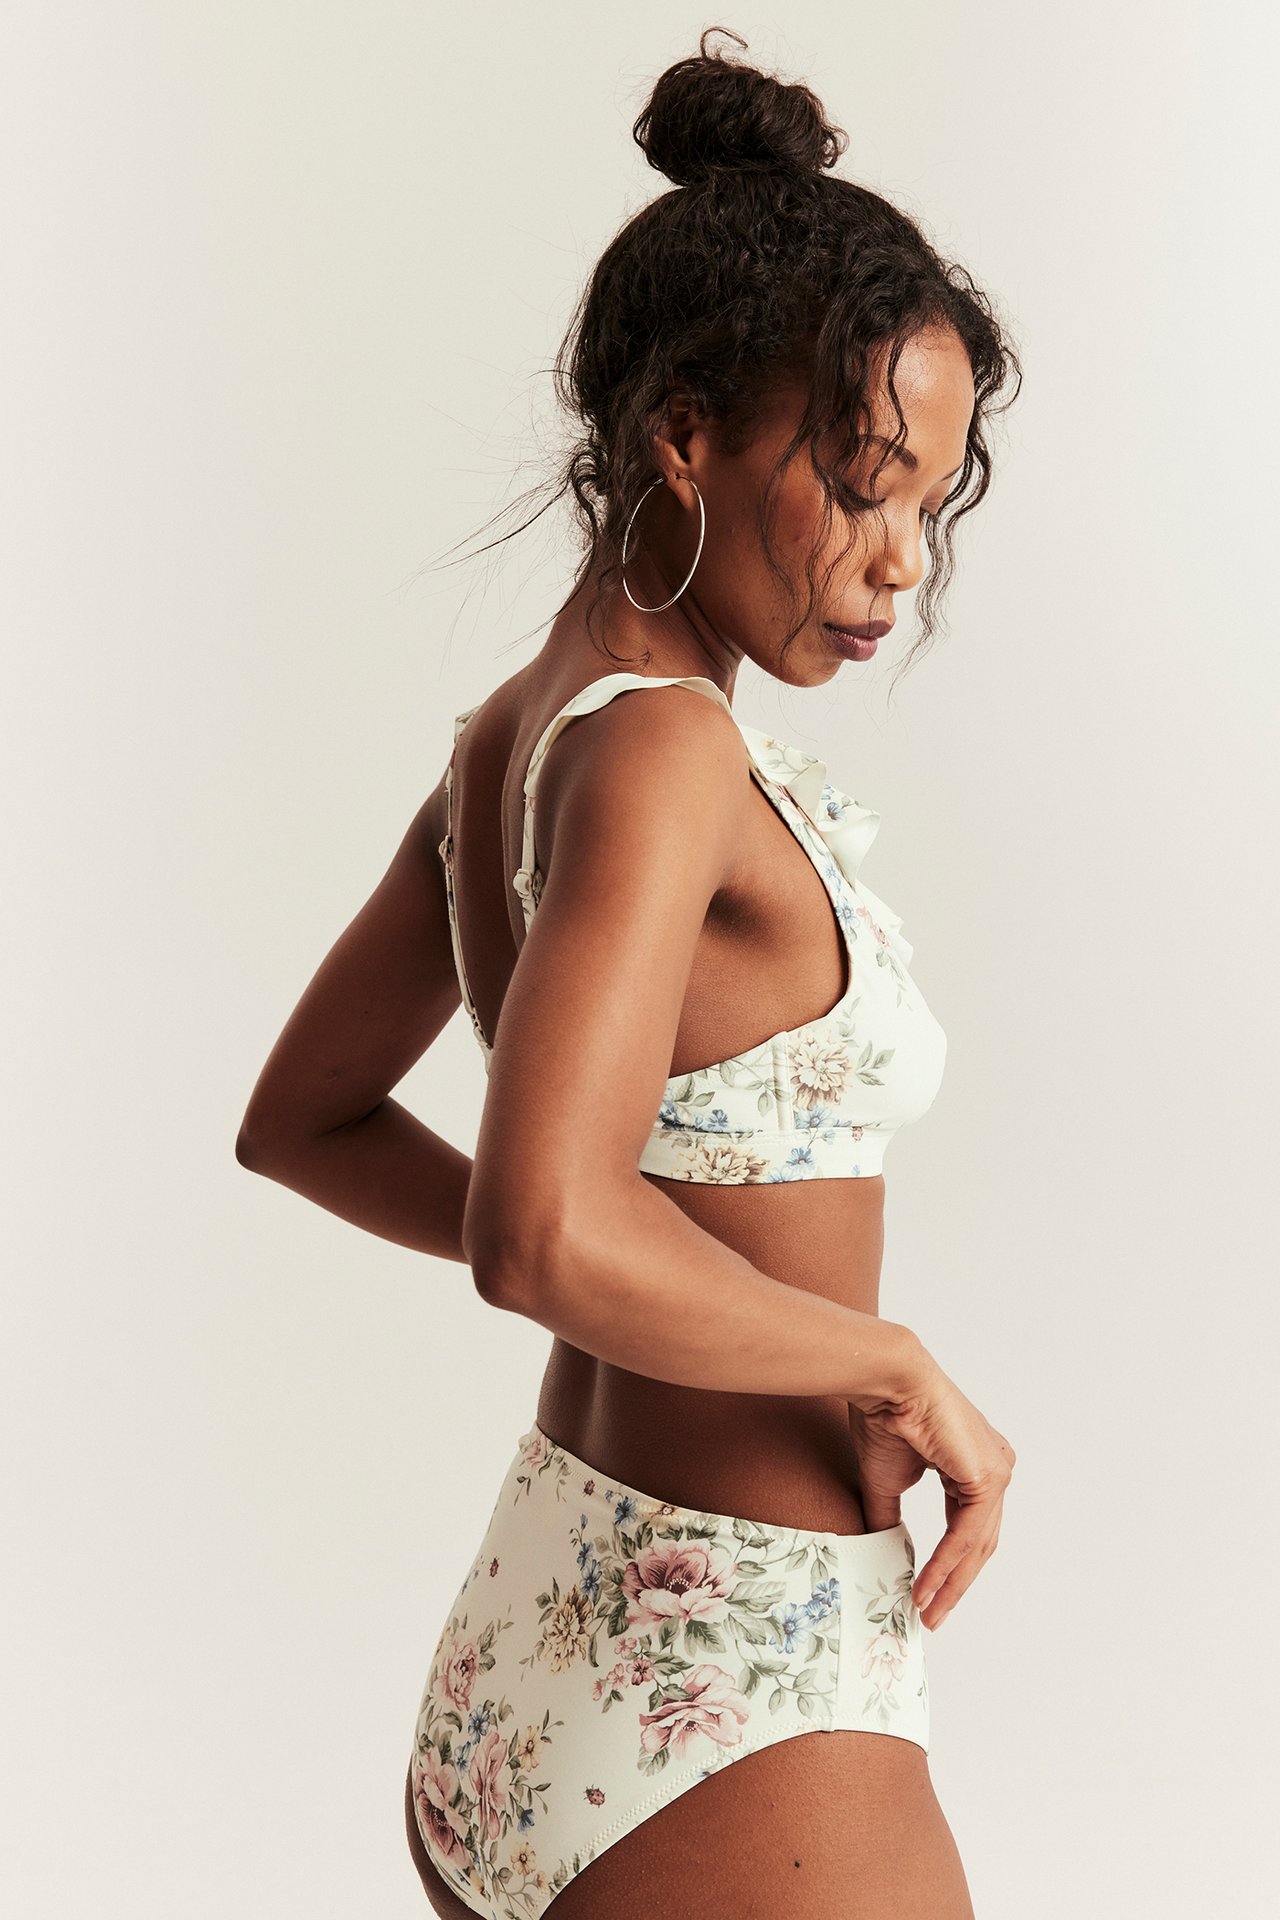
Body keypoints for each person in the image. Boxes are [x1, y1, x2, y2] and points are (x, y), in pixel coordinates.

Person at [236, 28, 1022, 1920]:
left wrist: (613, 1238)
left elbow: (311, 1122)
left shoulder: (514, 741)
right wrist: (886, 1362)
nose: (898, 559)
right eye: (856, 483)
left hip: (548, 1632)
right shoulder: (664, 752)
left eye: (932, 499)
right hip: (735, 1690)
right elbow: (541, 1234)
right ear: (684, 437)